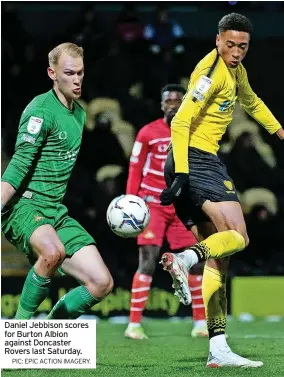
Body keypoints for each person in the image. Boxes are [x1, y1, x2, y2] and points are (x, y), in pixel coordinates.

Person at [159, 13, 284, 368]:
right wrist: (182, 173)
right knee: (238, 236)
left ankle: (218, 348)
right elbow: (181, 120)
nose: (236, 52)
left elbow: (252, 101)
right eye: (229, 44)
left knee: (221, 255)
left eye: (242, 46)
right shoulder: (210, 74)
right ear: (217, 40)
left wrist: (279, 132)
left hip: (190, 163)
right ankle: (184, 258)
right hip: (196, 160)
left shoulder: (236, 71)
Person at [1, 42, 113, 320]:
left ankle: (50, 332)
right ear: (52, 74)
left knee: (102, 283)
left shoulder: (80, 113)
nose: (77, 80)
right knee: (52, 252)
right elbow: (20, 162)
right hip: (24, 207)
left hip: (55, 212)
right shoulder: (41, 110)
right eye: (69, 73)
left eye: (80, 73)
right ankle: (18, 334)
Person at [124, 84, 207, 340]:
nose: (172, 104)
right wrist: (130, 200)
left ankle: (200, 324)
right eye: (167, 101)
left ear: (184, 104)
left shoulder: (194, 132)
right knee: (148, 260)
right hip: (153, 205)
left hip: (182, 206)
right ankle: (134, 325)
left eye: (177, 100)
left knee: (196, 262)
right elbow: (135, 167)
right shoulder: (148, 132)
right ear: (161, 105)